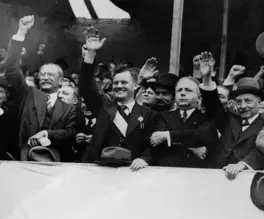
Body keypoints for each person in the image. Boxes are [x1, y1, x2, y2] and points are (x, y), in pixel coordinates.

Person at [78, 26, 157, 171]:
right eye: (116, 83)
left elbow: (151, 143)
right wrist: (90, 54)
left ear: (135, 85)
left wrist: (145, 158)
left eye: (124, 83)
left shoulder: (147, 113)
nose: (118, 86)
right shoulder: (104, 105)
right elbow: (85, 87)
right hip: (99, 170)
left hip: (132, 172)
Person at [5, 15, 76, 162]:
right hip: (24, 159)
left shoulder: (69, 108)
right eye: (42, 74)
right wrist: (21, 32)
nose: (44, 77)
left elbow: (71, 132)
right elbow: (11, 68)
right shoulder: (28, 94)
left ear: (61, 80)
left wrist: (47, 134)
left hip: (55, 161)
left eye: (50, 75)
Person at [198, 52, 264, 178]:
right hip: (214, 177)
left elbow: (262, 152)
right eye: (239, 101)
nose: (243, 106)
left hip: (244, 181)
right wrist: (207, 79)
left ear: (260, 104)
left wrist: (242, 165)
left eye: (248, 101)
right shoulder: (229, 119)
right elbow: (213, 105)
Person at [150, 77, 217, 168]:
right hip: (167, 170)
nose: (182, 93)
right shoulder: (163, 116)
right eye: (179, 90)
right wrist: (192, 149)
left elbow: (200, 135)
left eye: (188, 90)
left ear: (199, 97)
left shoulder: (207, 118)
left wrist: (167, 135)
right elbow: (157, 142)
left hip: (196, 172)